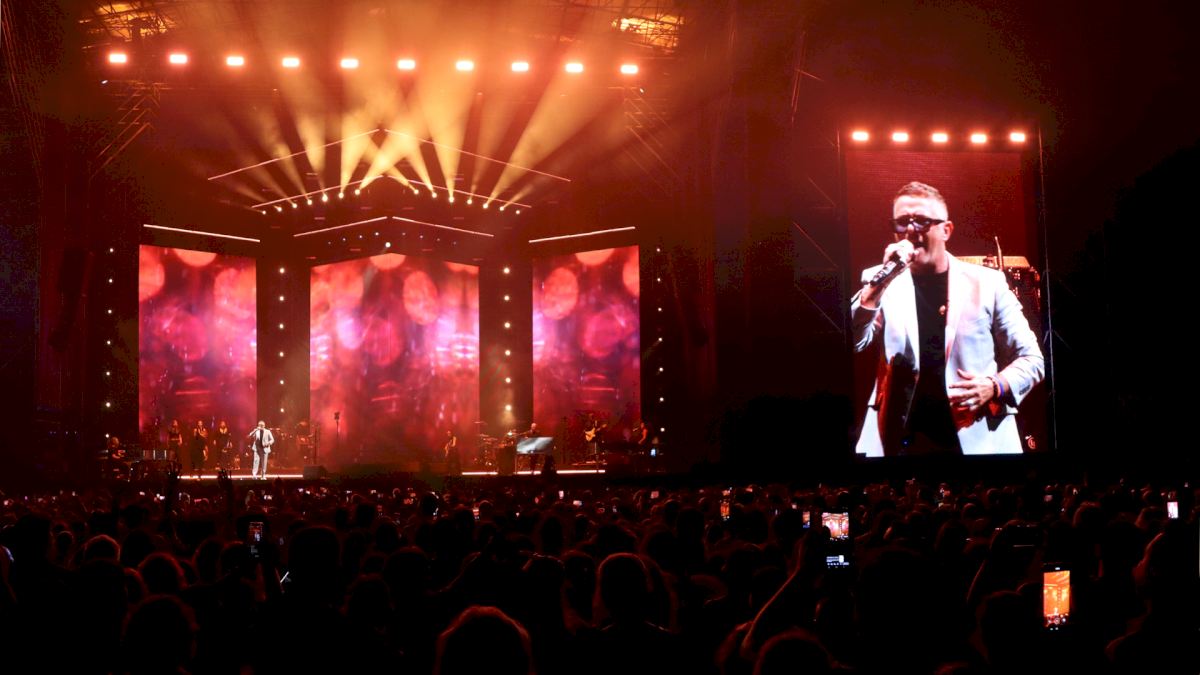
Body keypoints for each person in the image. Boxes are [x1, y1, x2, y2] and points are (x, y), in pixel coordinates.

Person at [851, 181, 1044, 456]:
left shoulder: (987, 283)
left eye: (921, 221)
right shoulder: (879, 281)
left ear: (946, 230)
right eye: (902, 222)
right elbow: (852, 342)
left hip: (976, 436)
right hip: (899, 439)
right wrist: (878, 285)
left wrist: (995, 386)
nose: (910, 230)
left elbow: (1032, 359)